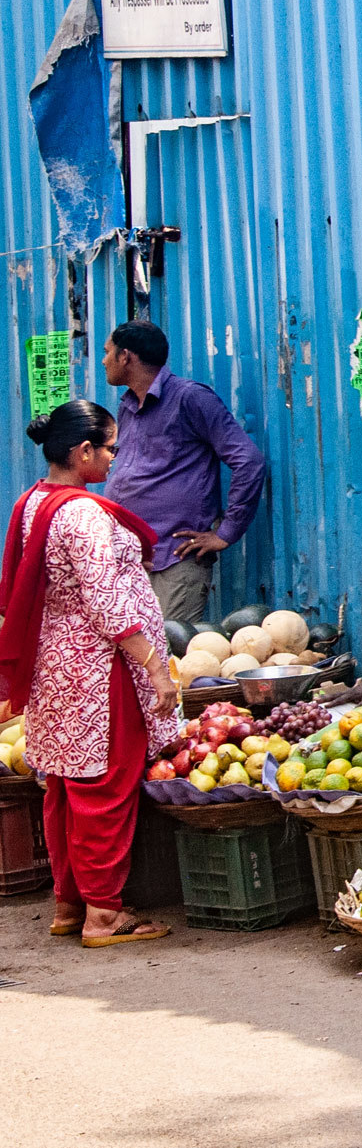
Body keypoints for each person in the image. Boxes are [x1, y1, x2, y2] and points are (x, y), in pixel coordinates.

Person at [0, 401, 178, 945]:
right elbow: (108, 605)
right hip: (99, 673)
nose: (114, 458)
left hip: (56, 668)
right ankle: (105, 914)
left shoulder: (32, 502)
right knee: (105, 787)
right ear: (83, 452)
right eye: (110, 448)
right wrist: (156, 668)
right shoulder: (84, 515)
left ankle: (69, 905)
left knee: (65, 789)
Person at [100, 320, 267, 624]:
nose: (103, 360)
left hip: (173, 557)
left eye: (107, 352)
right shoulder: (127, 405)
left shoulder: (190, 398)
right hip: (132, 557)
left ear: (126, 356)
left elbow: (248, 460)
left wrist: (226, 533)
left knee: (166, 653)